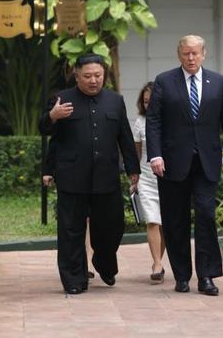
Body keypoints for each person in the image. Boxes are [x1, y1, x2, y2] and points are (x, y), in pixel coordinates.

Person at [145, 35, 223, 295]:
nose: (191, 58)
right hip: (171, 163)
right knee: (175, 220)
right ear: (179, 55)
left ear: (203, 54)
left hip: (207, 162)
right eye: (186, 53)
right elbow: (153, 121)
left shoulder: (219, 83)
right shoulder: (165, 81)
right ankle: (182, 275)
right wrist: (155, 155)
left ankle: (207, 276)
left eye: (195, 53)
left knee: (206, 215)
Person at [39, 53, 140, 295]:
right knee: (71, 230)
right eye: (87, 76)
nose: (93, 80)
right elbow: (45, 130)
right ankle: (74, 279)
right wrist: (53, 116)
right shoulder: (61, 99)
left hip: (107, 177)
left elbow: (125, 137)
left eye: (98, 75)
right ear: (77, 76)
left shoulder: (115, 101)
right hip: (72, 176)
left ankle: (104, 263)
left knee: (112, 227)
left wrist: (133, 169)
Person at [42, 137, 95, 280]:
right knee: (79, 220)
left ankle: (94, 262)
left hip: (99, 174)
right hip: (71, 175)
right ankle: (85, 265)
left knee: (93, 219)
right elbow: (56, 140)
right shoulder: (65, 115)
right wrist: (48, 169)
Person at [132, 82, 166, 283]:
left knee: (166, 225)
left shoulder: (171, 121)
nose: (148, 105)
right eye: (145, 102)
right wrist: (134, 177)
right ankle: (157, 263)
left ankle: (158, 261)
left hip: (169, 179)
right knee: (152, 220)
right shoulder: (140, 122)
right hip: (146, 178)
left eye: (152, 101)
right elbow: (135, 154)